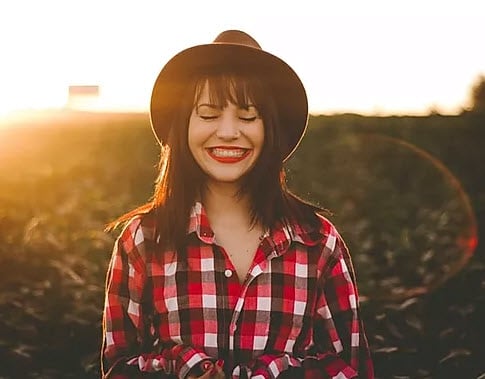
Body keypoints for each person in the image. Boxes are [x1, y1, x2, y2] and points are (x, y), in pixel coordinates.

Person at [101, 30, 374, 379]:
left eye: (248, 116)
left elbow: (351, 369)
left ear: (270, 129)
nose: (229, 132)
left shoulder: (318, 242)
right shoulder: (143, 240)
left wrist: (274, 372)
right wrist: (183, 366)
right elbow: (118, 369)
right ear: (183, 125)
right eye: (209, 114)